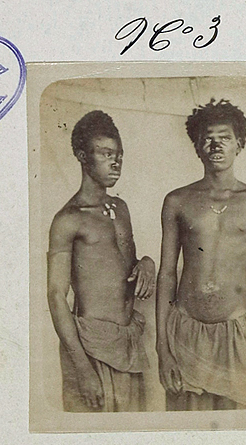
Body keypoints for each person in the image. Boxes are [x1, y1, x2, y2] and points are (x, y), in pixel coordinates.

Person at [156, 98, 246, 411]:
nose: (216, 144)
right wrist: (162, 350)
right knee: (184, 429)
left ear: (239, 144)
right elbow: (166, 274)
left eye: (225, 137)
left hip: (236, 334)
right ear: (197, 146)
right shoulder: (177, 201)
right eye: (208, 138)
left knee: (235, 432)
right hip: (185, 332)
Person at [47, 110, 155, 412]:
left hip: (129, 344)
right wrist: (83, 370)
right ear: (83, 156)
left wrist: (147, 262)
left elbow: (123, 266)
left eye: (118, 154)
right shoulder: (68, 220)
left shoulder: (120, 208)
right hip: (90, 349)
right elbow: (56, 296)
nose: (115, 162)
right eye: (106, 154)